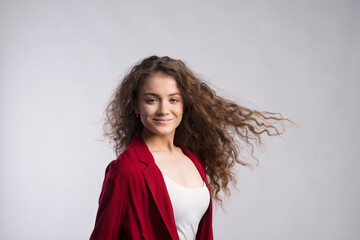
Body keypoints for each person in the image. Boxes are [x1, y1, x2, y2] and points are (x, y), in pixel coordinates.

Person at [89, 56, 293, 240]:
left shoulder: (194, 160)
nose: (163, 109)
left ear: (184, 104)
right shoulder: (126, 171)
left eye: (173, 99)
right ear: (135, 106)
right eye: (152, 100)